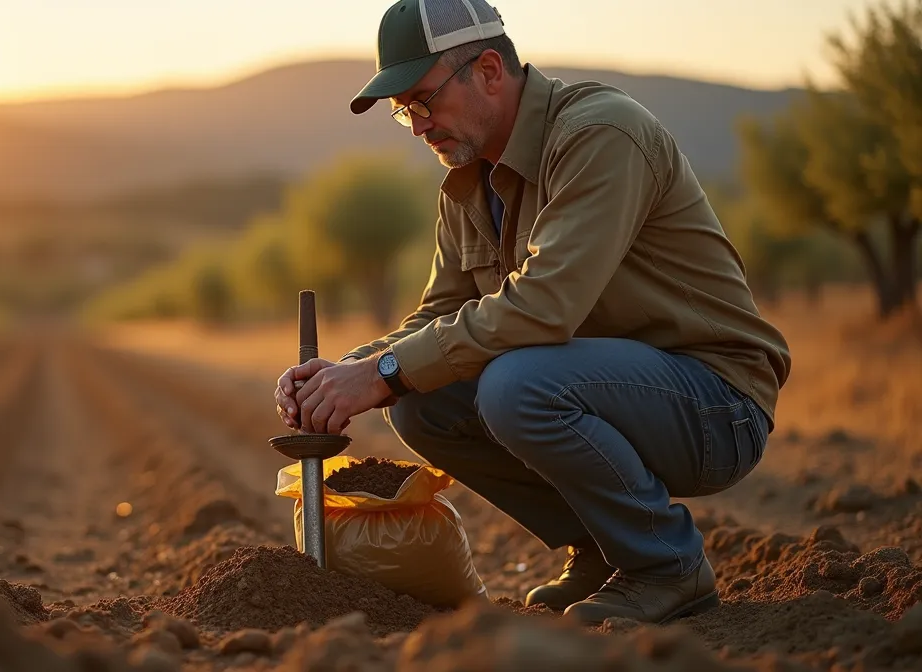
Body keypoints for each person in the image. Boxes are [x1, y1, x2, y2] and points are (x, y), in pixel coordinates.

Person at [272, 0, 792, 626]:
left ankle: (666, 567)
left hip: (715, 405)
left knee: (516, 386)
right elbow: (437, 316)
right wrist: (348, 372)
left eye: (424, 100)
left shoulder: (600, 134)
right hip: (608, 387)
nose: (416, 125)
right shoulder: (467, 181)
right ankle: (603, 550)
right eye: (402, 110)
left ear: (489, 69)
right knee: (420, 401)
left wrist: (381, 370)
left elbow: (545, 308)